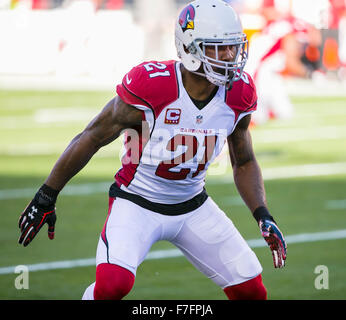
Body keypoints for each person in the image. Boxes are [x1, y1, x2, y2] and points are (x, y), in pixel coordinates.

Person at [18, 0, 287, 300]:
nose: (230, 56)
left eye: (233, 46)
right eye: (218, 47)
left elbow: (245, 161)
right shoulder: (153, 86)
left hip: (193, 205)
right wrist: (46, 196)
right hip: (137, 202)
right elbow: (92, 136)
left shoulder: (239, 92)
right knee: (112, 286)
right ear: (191, 48)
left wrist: (263, 214)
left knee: (252, 292)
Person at [245, 1, 322, 125]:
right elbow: (291, 63)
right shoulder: (293, 29)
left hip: (268, 71)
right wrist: (311, 75)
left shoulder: (288, 23)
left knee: (285, 113)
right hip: (259, 71)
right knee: (255, 119)